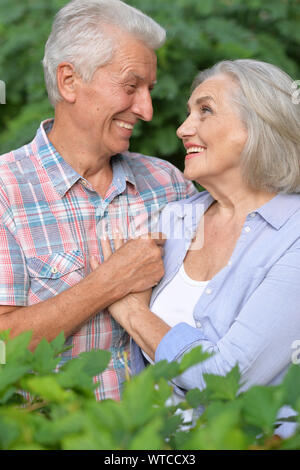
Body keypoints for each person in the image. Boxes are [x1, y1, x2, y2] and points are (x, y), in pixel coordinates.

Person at [0, 0, 197, 401]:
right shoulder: (5, 191)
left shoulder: (169, 183)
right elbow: (5, 348)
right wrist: (109, 283)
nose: (146, 109)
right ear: (70, 81)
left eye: (149, 90)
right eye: (130, 86)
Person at [97, 59, 300, 435]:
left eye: (205, 111)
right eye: (189, 112)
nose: (182, 128)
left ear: (260, 123)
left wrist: (132, 312)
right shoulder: (175, 219)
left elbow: (229, 377)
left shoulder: (293, 235)